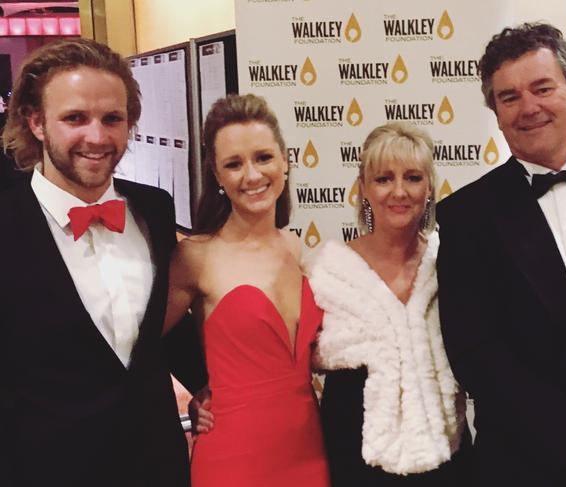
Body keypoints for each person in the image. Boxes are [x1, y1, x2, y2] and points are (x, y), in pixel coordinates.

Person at [436, 22, 566, 487]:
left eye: (542, 88)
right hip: (521, 467)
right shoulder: (463, 217)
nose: (528, 107)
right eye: (509, 97)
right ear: (496, 114)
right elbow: (476, 354)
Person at [0, 38, 202, 487]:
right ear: (35, 122)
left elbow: (159, 325)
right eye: (75, 118)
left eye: (112, 118)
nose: (97, 136)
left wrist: (208, 383)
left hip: (157, 466)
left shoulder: (154, 208)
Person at [163, 93, 330, 487]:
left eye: (263, 158)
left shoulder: (297, 247)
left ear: (285, 161)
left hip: (308, 450)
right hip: (233, 457)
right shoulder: (196, 256)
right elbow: (136, 348)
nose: (252, 176)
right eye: (234, 165)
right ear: (217, 176)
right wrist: (192, 394)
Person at [308, 122, 471, 486]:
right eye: (383, 179)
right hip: (355, 459)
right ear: (363, 188)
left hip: (448, 459)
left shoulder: (451, 262)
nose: (399, 191)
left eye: (413, 177)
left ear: (429, 187)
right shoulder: (327, 272)